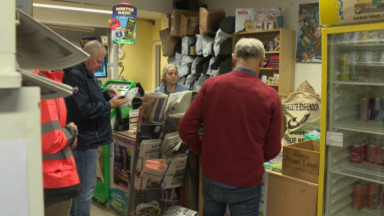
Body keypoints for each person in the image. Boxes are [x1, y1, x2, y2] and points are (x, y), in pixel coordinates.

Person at [178, 38, 282, 216]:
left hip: (212, 176)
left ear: (234, 59)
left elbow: (185, 128)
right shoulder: (270, 95)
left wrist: (202, 148)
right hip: (247, 181)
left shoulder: (210, 86)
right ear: (261, 61)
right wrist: (254, 158)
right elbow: (273, 148)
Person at [63, 40, 128, 216]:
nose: (99, 66)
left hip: (90, 139)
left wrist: (107, 94)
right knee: (85, 190)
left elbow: (93, 97)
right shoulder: (74, 75)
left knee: (83, 189)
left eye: (102, 62)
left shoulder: (88, 75)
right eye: (98, 62)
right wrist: (109, 106)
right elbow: (82, 108)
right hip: (84, 141)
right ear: (86, 57)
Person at [33, 70, 81, 216]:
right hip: (53, 178)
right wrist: (71, 132)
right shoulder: (43, 84)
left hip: (41, 176)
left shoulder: (48, 81)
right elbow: (51, 140)